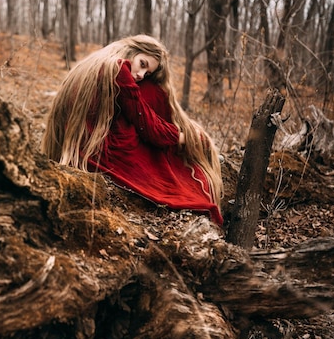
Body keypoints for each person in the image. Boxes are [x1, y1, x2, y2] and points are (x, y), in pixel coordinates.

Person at [41, 34, 224, 225]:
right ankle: (184, 155)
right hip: (96, 149)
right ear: (131, 50)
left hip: (80, 142)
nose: (140, 74)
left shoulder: (98, 62)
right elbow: (150, 127)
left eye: (147, 72)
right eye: (142, 64)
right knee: (154, 93)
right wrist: (188, 138)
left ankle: (187, 152)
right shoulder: (118, 68)